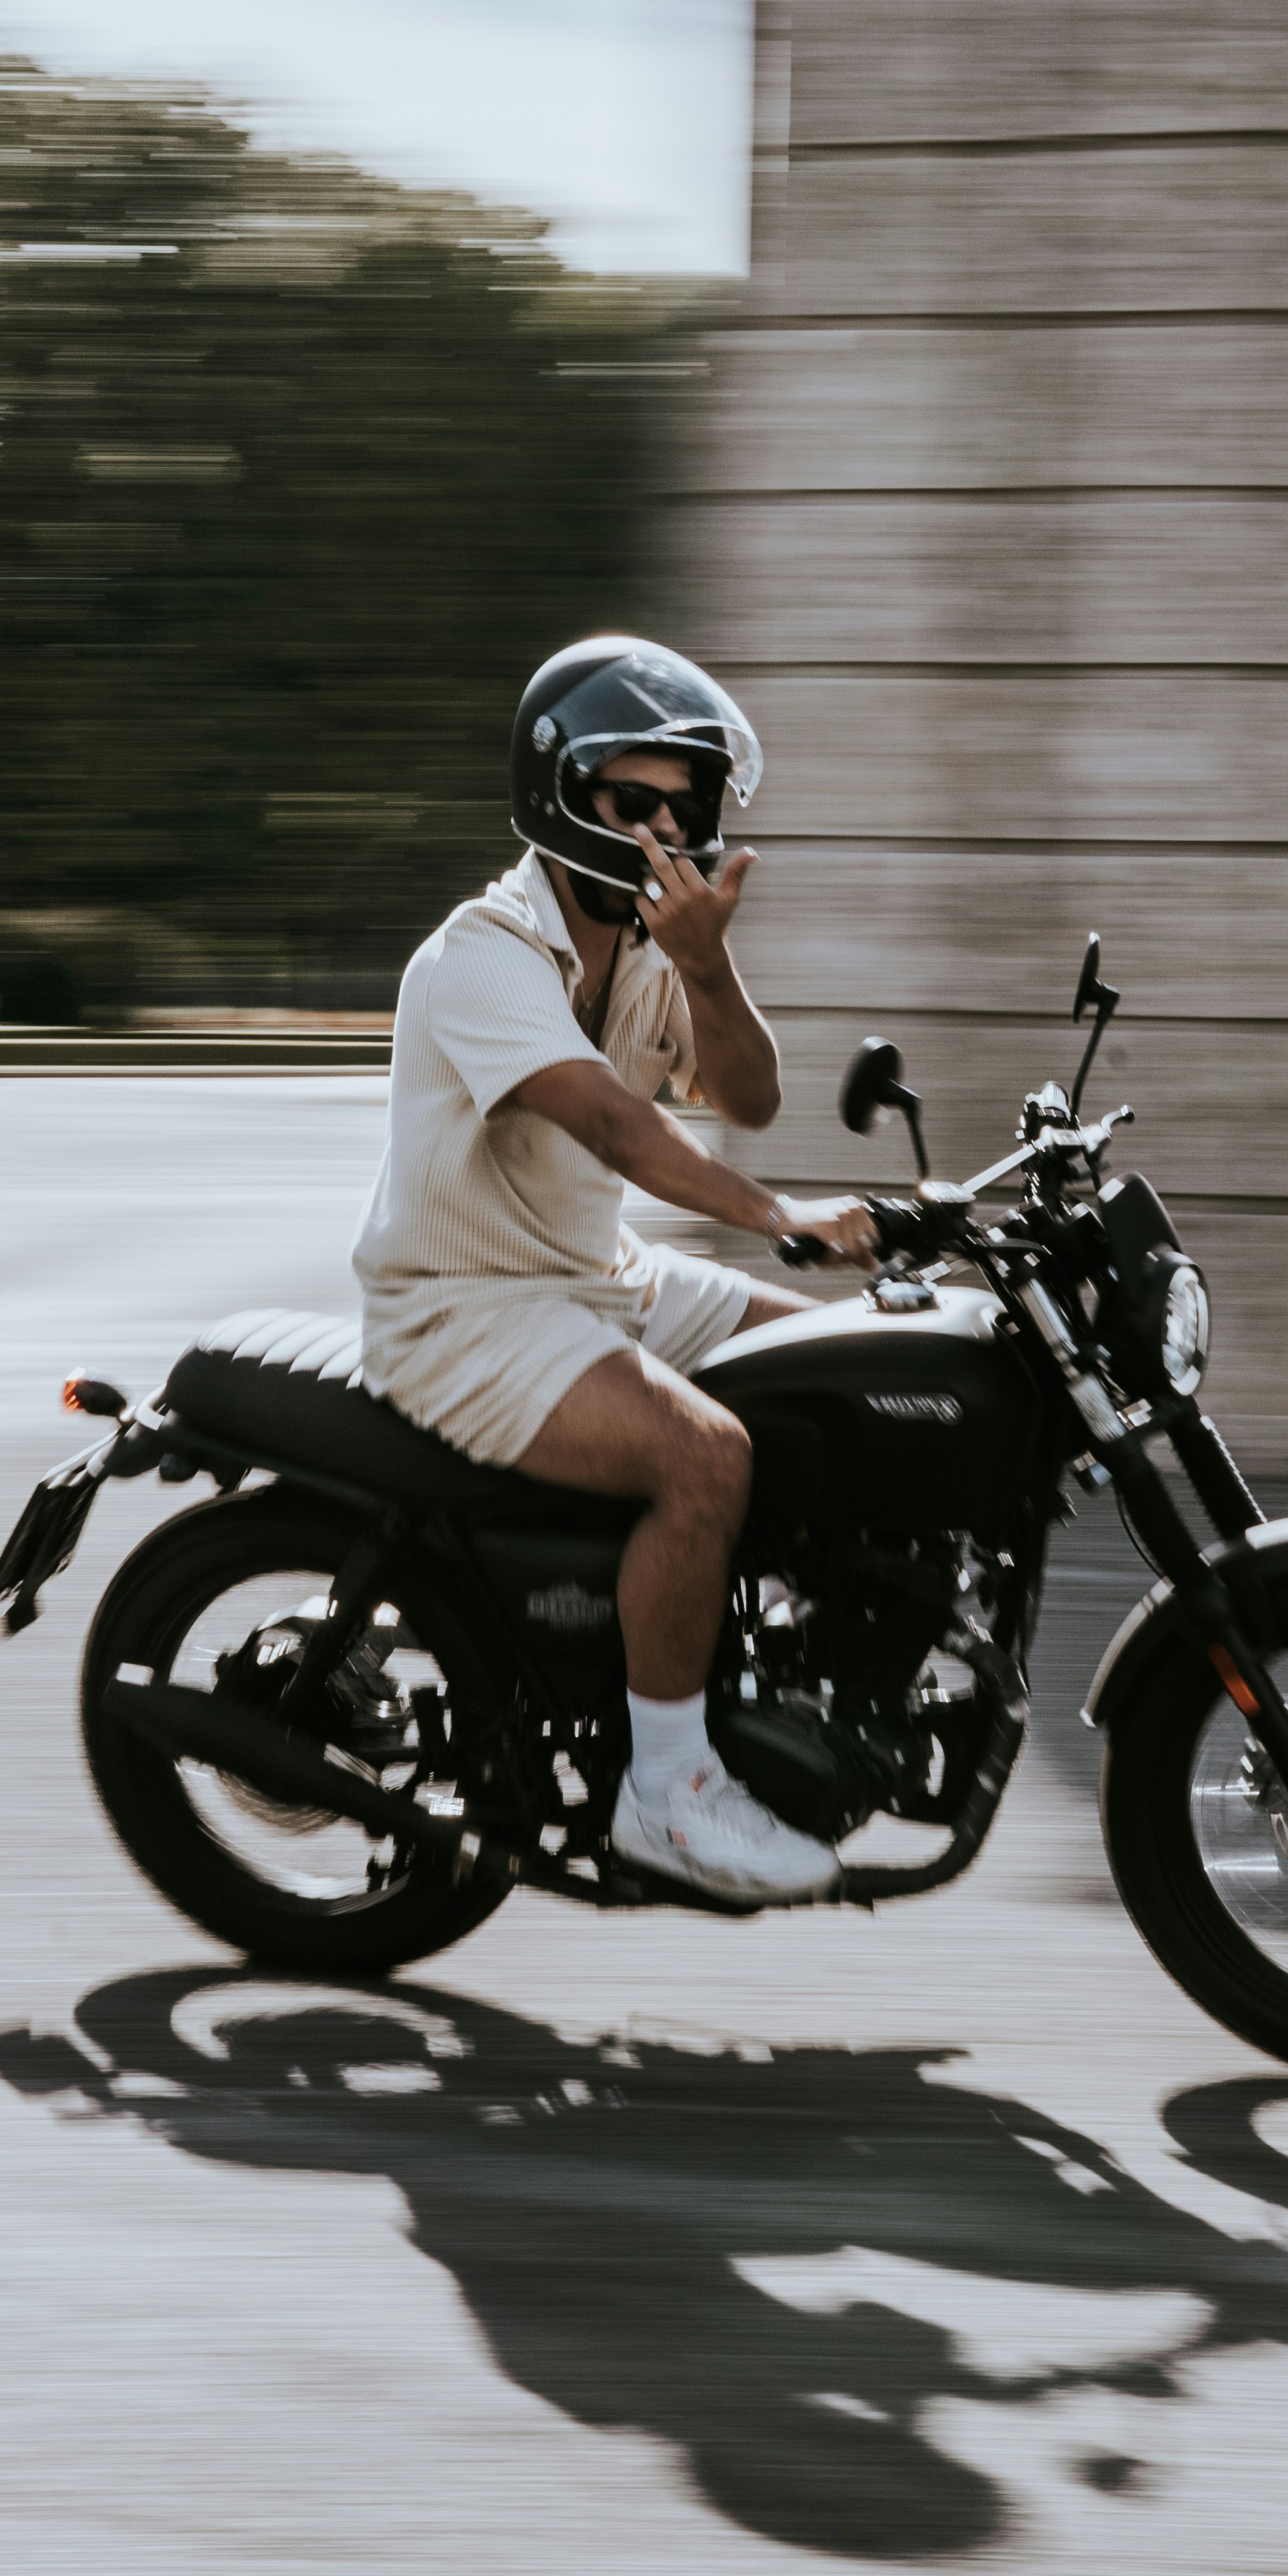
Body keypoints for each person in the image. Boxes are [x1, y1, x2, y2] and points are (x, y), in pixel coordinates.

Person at [353, 636, 880, 1903]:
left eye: (682, 809)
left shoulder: (647, 961)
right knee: (711, 1454)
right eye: (628, 802)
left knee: (846, 1365)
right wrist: (779, 1216)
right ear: (558, 796)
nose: (661, 830)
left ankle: (773, 1658)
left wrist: (705, 961)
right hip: (462, 1311)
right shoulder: (481, 956)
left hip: (598, 1279)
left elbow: (746, 1098)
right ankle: (669, 1793)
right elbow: (614, 1124)